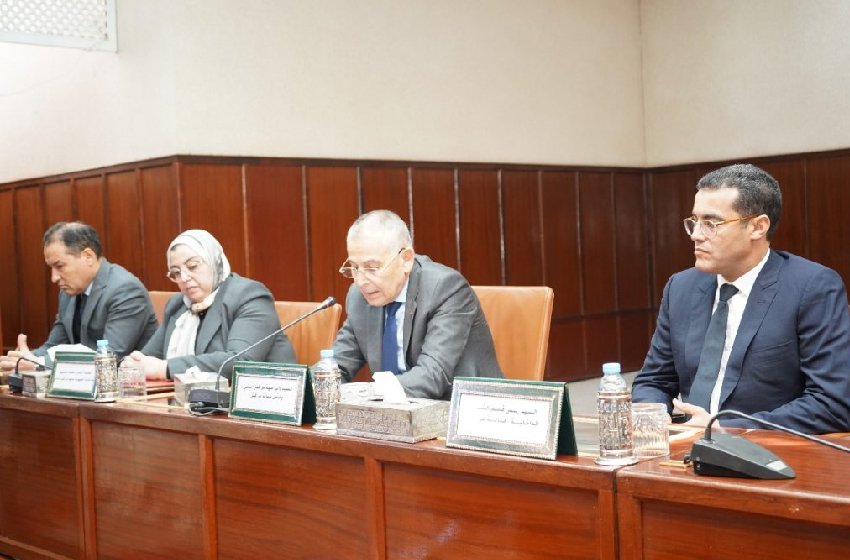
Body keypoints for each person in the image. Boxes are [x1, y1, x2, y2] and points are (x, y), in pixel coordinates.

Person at [632, 163, 850, 434]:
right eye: (694, 221)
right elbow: (653, 380)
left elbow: (832, 404)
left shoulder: (811, 287)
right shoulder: (681, 287)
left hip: (766, 449)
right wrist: (652, 416)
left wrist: (724, 427)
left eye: (711, 223)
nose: (696, 235)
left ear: (758, 227)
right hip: (684, 446)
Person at [332, 209, 502, 400]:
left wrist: (366, 392)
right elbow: (337, 365)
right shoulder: (359, 297)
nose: (361, 281)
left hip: (463, 409)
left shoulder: (445, 288)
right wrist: (314, 384)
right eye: (355, 268)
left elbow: (433, 375)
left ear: (406, 259)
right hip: (396, 413)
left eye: (372, 268)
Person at [127, 229, 295, 380]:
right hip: (198, 400)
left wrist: (165, 368)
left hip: (264, 398)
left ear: (215, 262)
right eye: (176, 273)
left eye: (192, 266)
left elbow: (240, 362)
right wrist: (134, 364)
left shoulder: (249, 296)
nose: (184, 278)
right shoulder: (178, 305)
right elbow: (148, 358)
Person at [0, 222, 157, 373]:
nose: (54, 278)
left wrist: (38, 364)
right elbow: (53, 345)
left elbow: (109, 357)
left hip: (130, 385)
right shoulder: (68, 292)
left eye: (59, 266)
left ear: (88, 256)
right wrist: (21, 360)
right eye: (51, 268)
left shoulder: (125, 290)